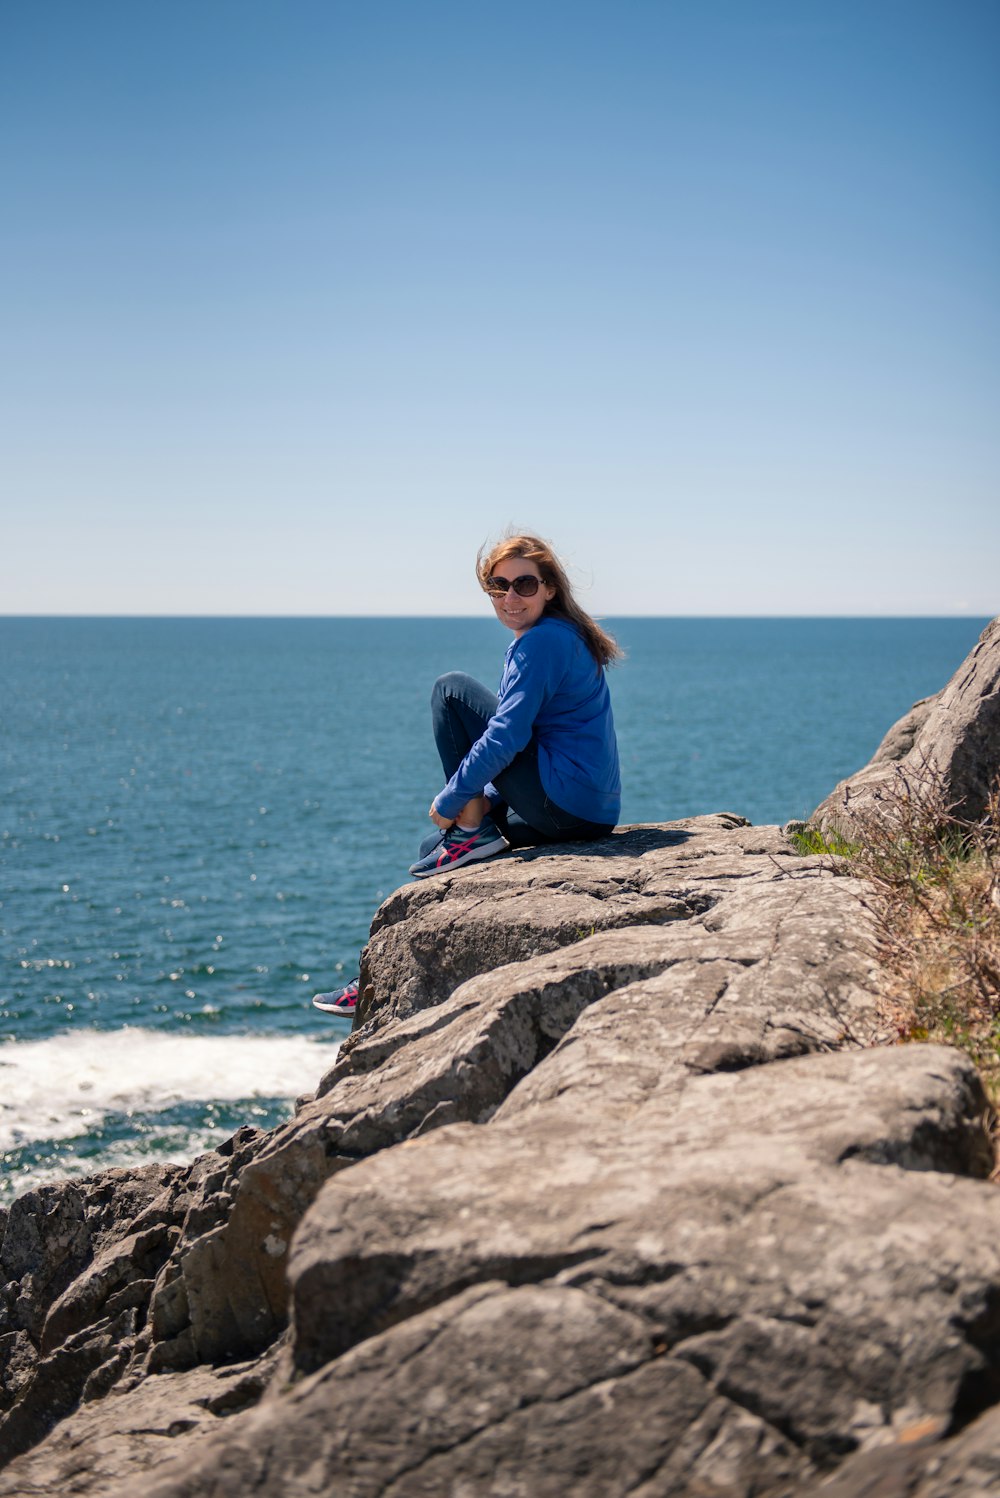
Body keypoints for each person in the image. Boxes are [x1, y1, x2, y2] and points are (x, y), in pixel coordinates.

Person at [312, 533, 622, 1018]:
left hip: (564, 804)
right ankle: (377, 983)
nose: (509, 597)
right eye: (498, 586)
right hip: (586, 812)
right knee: (430, 852)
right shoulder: (561, 636)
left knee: (452, 690)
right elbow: (531, 743)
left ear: (549, 588)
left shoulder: (541, 643)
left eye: (523, 584)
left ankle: (473, 832)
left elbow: (507, 736)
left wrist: (455, 798)